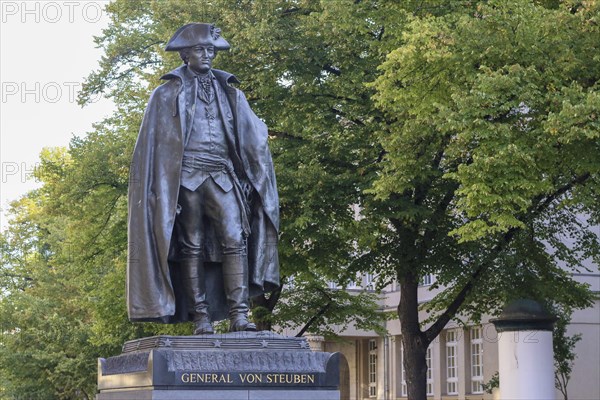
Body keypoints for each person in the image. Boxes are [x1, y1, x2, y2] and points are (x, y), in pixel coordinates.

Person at [127, 23, 280, 334]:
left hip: (222, 175)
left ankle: (239, 315)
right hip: (185, 179)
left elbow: (254, 135)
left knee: (235, 239)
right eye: (200, 49)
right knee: (191, 245)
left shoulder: (230, 92)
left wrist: (254, 167)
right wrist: (160, 193)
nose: (207, 55)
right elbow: (150, 149)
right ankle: (201, 318)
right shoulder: (165, 94)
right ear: (185, 55)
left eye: (211, 50)